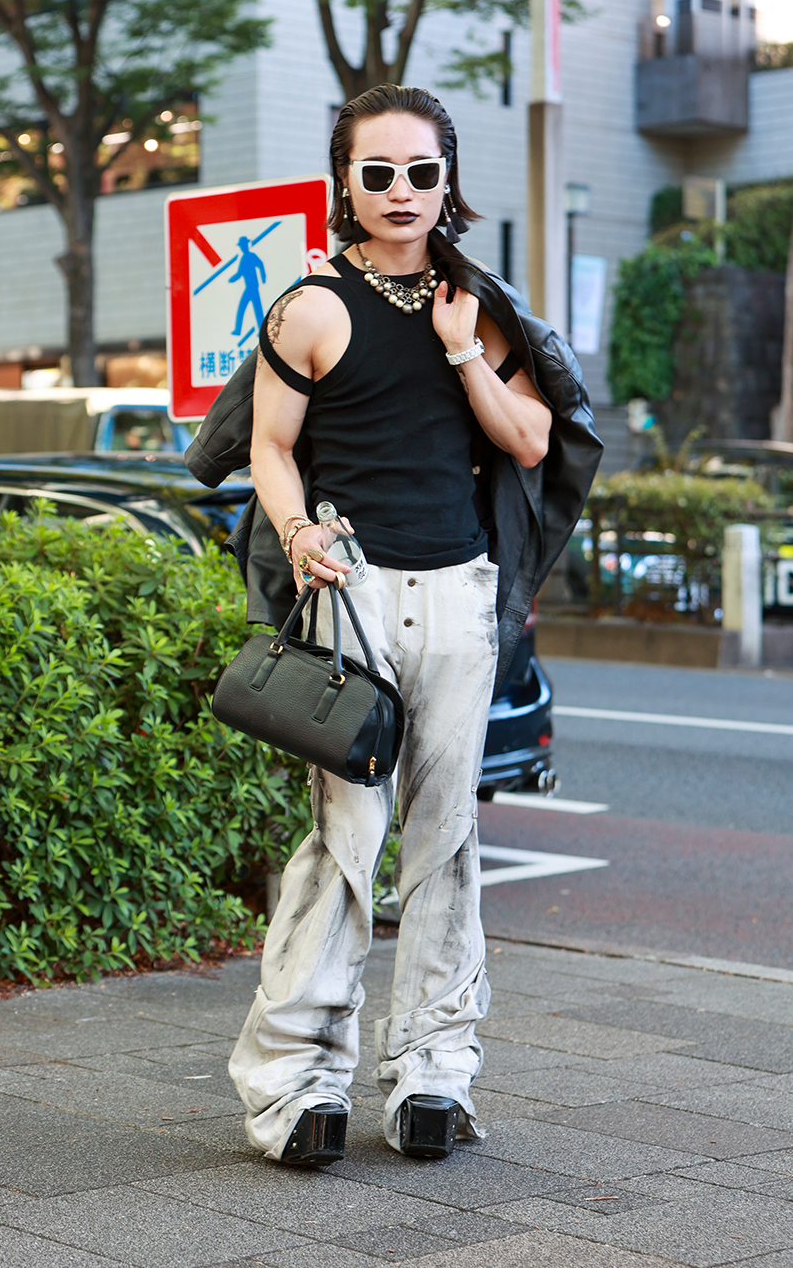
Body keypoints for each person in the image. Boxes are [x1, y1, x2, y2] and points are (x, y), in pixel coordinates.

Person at [224, 84, 557, 1168]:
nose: (402, 191)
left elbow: (531, 440)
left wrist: (464, 351)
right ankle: (296, 1086)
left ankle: (434, 1075)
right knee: (347, 839)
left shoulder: (480, 307)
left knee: (446, 837)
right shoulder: (311, 308)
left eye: (422, 171)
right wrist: (297, 532)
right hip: (353, 593)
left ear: (448, 180)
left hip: (460, 592)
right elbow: (272, 447)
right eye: (379, 173)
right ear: (347, 183)